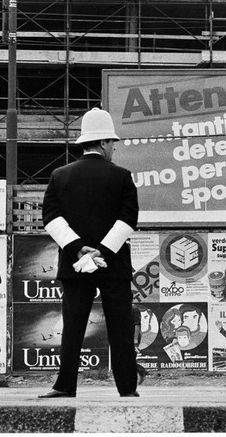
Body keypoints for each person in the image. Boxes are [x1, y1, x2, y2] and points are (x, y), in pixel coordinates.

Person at [39, 107, 139, 398]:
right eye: (113, 144)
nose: (114, 149)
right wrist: (102, 252)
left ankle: (64, 385)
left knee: (73, 327)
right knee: (120, 326)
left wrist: (77, 248)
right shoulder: (122, 176)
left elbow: (51, 218)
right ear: (105, 142)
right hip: (114, 263)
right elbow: (127, 219)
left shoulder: (60, 175)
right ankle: (127, 388)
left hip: (74, 263)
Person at [132, 305, 148, 385]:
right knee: (125, 360)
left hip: (132, 337)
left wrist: (135, 339)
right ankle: (141, 371)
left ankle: (141, 372)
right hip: (124, 338)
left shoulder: (134, 309)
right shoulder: (122, 309)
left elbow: (137, 325)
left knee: (129, 360)